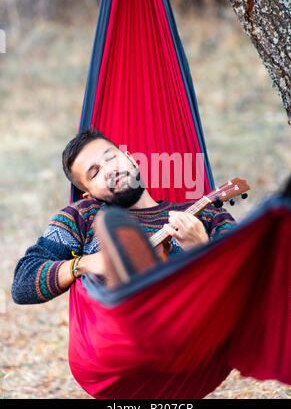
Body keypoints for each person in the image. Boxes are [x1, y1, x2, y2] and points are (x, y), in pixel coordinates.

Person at [11, 129, 236, 304]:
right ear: (88, 194)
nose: (110, 170)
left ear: (131, 158)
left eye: (112, 158)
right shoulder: (83, 216)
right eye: (95, 172)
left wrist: (203, 247)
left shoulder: (203, 213)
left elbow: (247, 278)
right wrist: (84, 265)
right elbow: (23, 283)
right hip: (121, 339)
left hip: (192, 328)